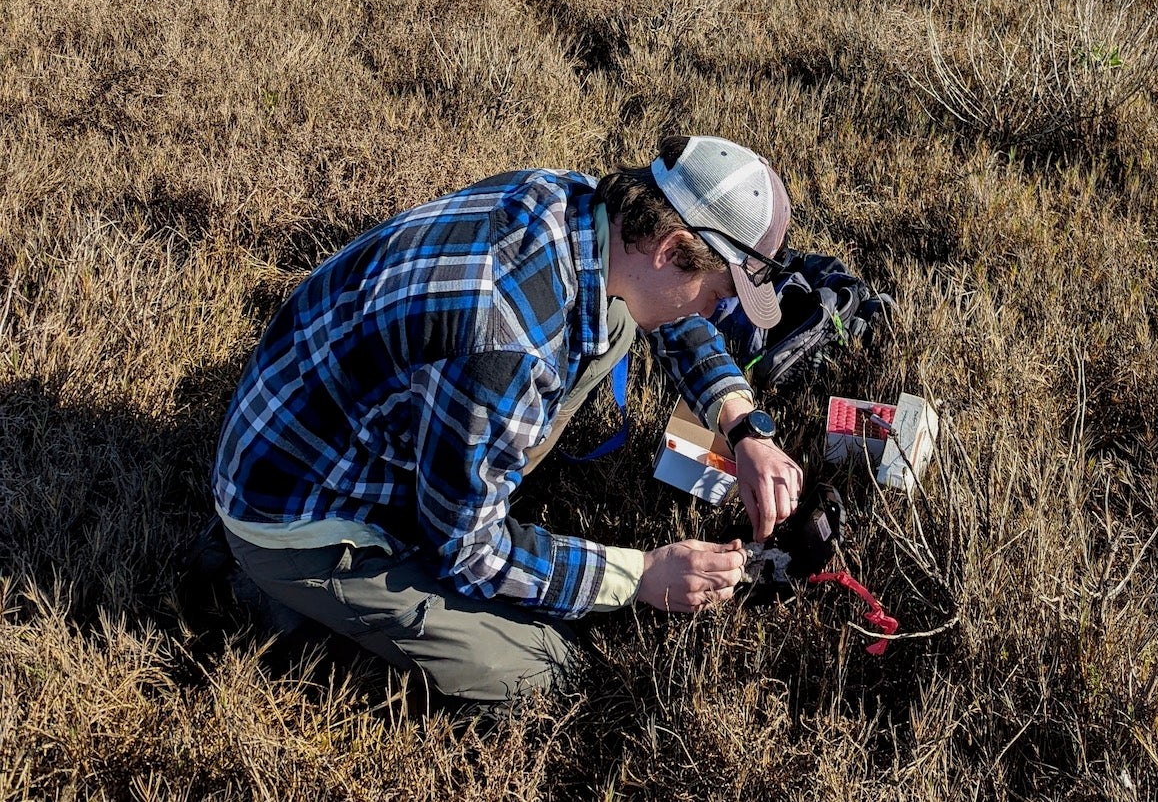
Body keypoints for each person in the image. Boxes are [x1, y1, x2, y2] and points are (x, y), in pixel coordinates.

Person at [212, 135, 803, 706]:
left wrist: (743, 424)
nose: (717, 311)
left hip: (315, 416)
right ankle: (263, 592)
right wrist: (639, 575)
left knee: (621, 321)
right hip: (300, 513)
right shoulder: (507, 346)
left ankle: (466, 482)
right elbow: (468, 549)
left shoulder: (575, 204)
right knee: (544, 666)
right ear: (671, 248)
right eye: (720, 293)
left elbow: (672, 309)